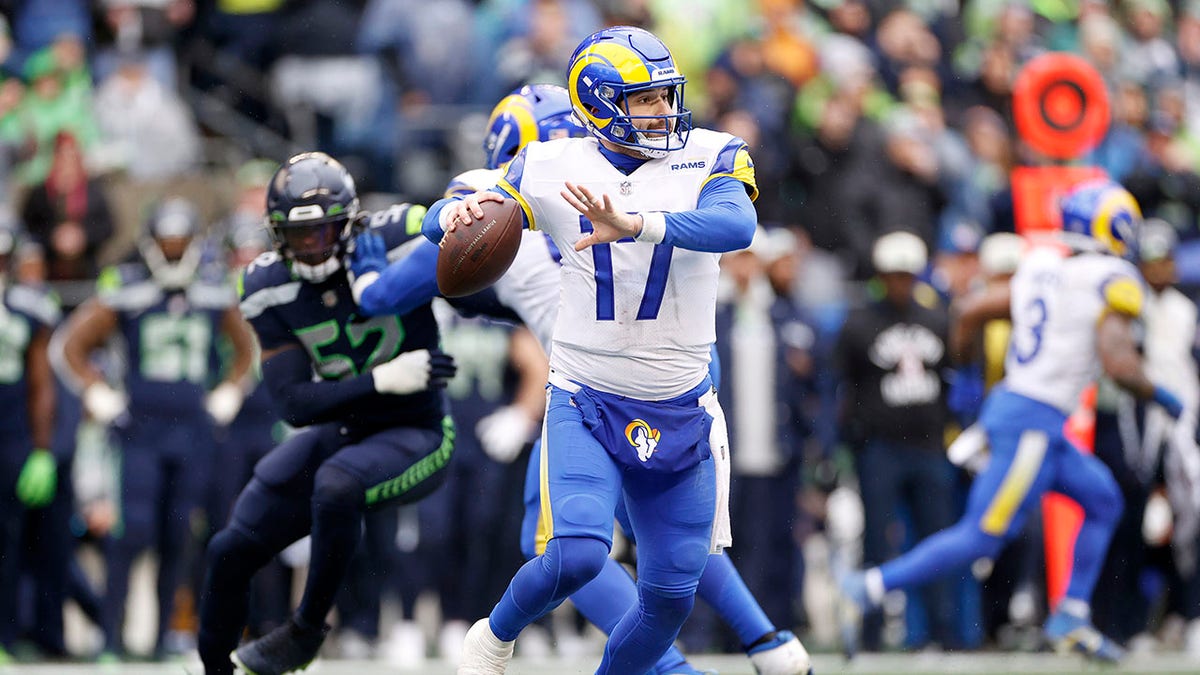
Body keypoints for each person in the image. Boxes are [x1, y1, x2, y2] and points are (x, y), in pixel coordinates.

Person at [352, 83, 811, 674]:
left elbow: (392, 289)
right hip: (679, 368)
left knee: (566, 546)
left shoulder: (509, 195)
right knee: (655, 539)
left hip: (595, 384)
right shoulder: (651, 169)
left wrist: (368, 258)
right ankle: (767, 644)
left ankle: (672, 665)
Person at [838, 180, 1188, 663]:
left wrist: (959, 370)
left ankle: (1071, 615)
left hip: (1033, 417)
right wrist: (1168, 397)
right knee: (981, 534)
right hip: (1031, 422)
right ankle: (870, 586)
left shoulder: (1043, 266)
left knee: (1103, 499)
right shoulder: (1110, 276)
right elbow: (1119, 363)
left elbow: (970, 309)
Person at [194, 152, 458, 675]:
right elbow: (293, 405)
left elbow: (452, 218)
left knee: (336, 485)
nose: (313, 247)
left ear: (351, 223)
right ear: (276, 234)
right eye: (299, 236)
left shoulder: (393, 232)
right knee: (229, 547)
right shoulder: (266, 286)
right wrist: (382, 378)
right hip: (344, 430)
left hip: (419, 431)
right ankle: (213, 671)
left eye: (324, 231)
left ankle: (306, 630)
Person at [53, 196, 256, 659]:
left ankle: (164, 633)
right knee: (131, 533)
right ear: (147, 244)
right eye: (165, 244)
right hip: (139, 429)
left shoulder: (212, 290)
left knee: (179, 534)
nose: (171, 252)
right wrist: (96, 392)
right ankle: (111, 636)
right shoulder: (127, 288)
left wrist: (230, 389)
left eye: (179, 243)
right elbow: (72, 346)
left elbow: (247, 347)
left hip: (193, 429)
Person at [835, 231, 959, 651]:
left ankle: (940, 633)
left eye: (907, 276)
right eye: (893, 275)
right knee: (876, 540)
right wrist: (849, 443)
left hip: (927, 446)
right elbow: (845, 387)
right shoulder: (858, 324)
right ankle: (870, 635)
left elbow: (951, 383)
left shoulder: (939, 320)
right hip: (881, 447)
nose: (900, 284)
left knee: (936, 539)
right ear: (881, 276)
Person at [0, 226, 59, 664]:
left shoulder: (27, 308)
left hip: (11, 428)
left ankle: (3, 637)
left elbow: (42, 383)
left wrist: (41, 448)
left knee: (8, 539)